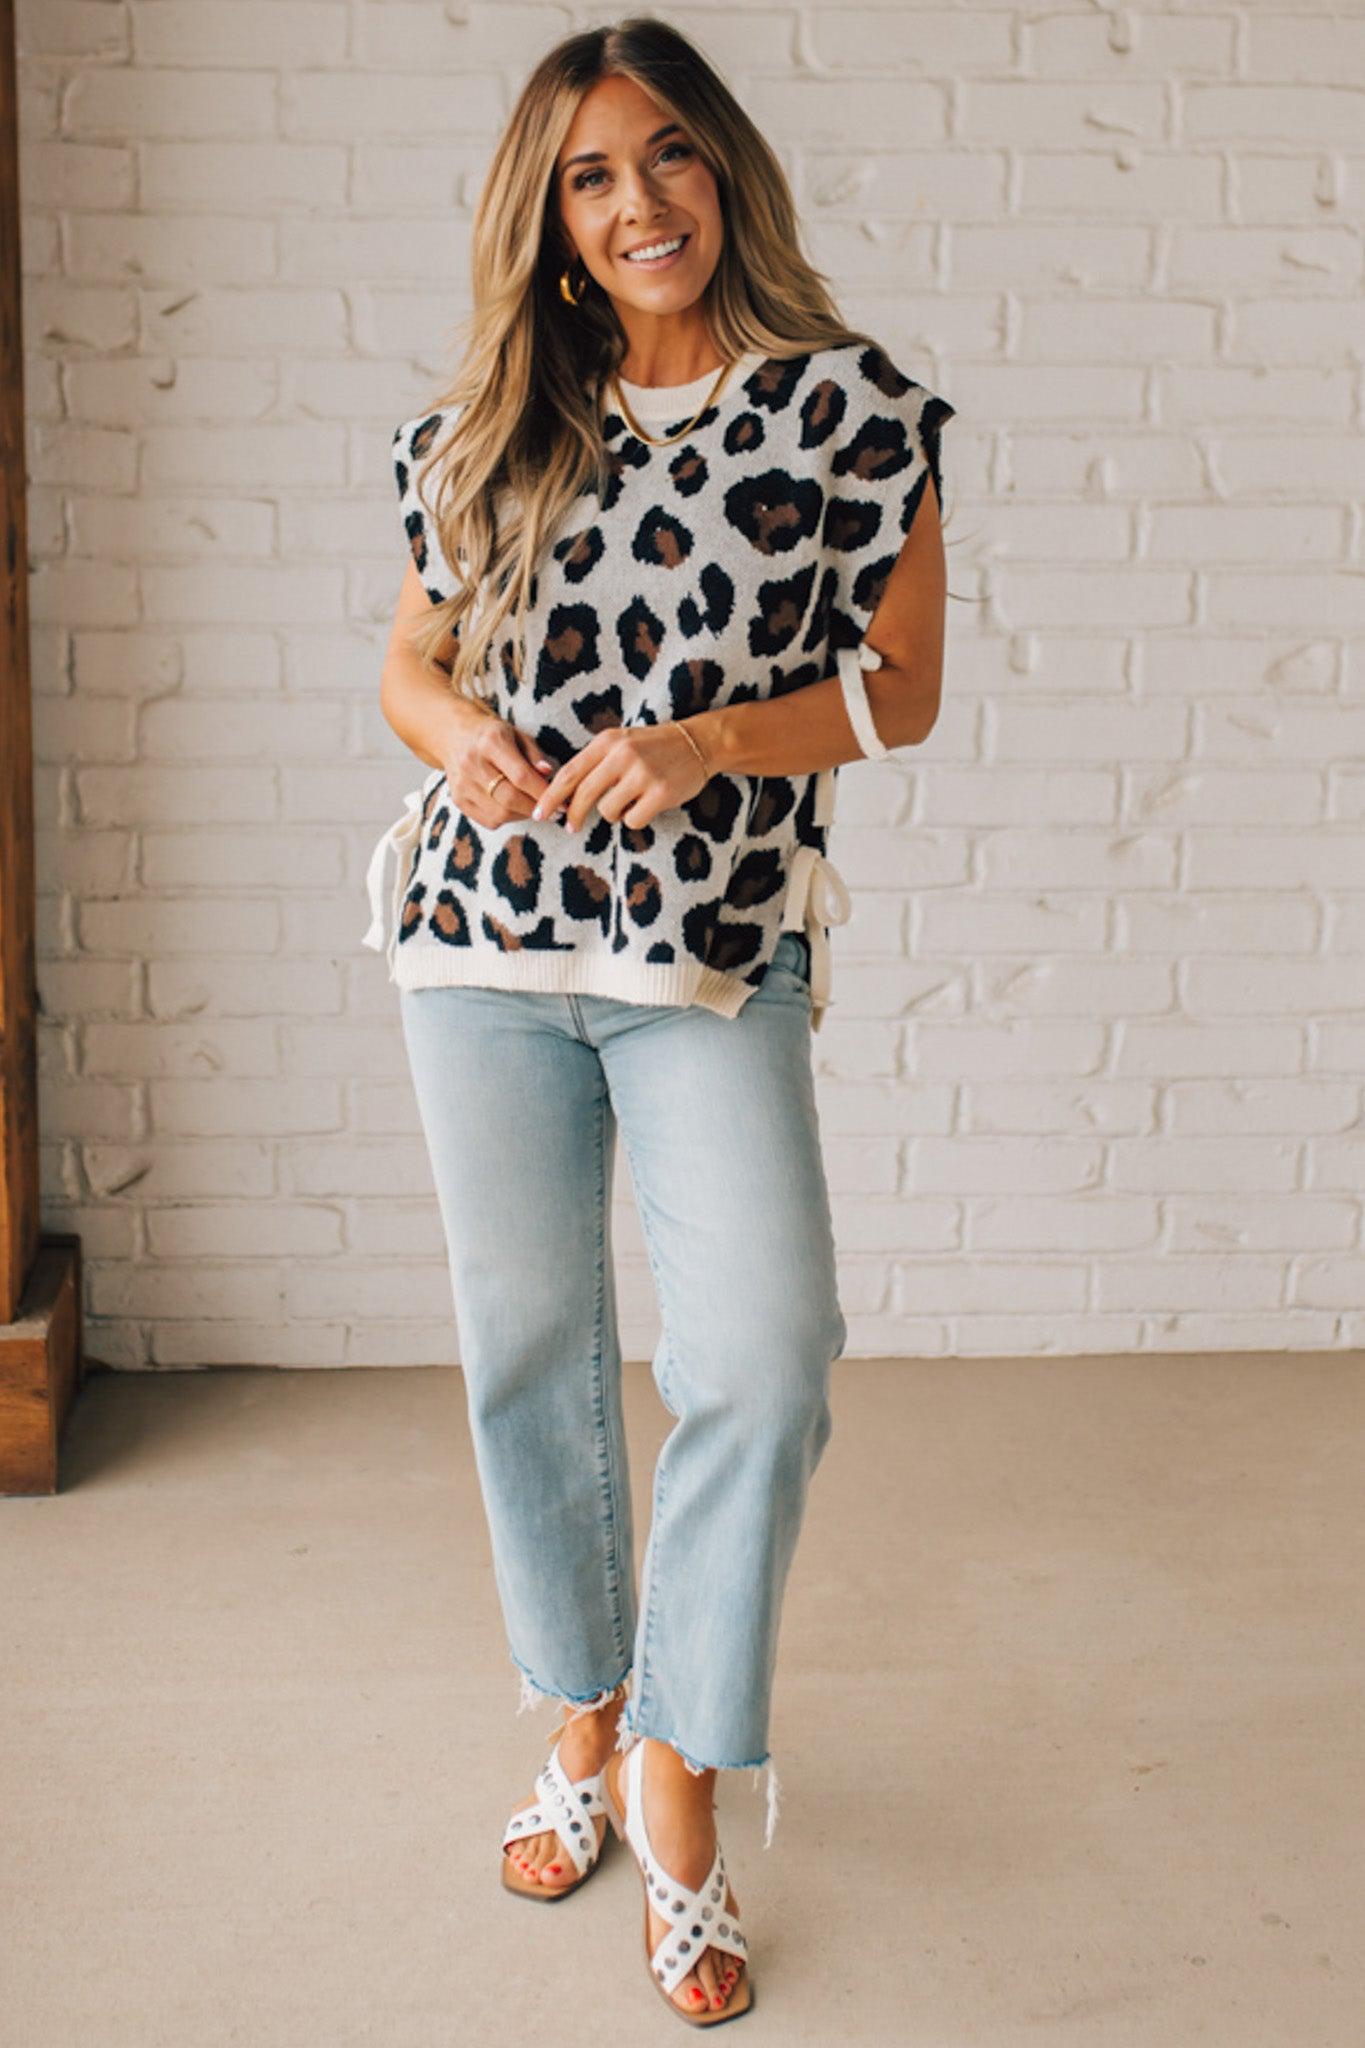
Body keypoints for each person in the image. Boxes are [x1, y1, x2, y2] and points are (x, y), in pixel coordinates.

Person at [363, 15, 953, 2026]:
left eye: (673, 158)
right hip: (480, 949)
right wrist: (461, 740)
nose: (641, 205)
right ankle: (583, 1704)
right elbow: (409, 664)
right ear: (547, 213)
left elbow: (900, 689)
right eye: (595, 175)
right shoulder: (485, 421)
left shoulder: (846, 410)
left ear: (728, 171)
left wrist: (706, 738)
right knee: (527, 1349)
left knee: (764, 1353)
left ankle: (678, 1760)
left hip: (706, 951)